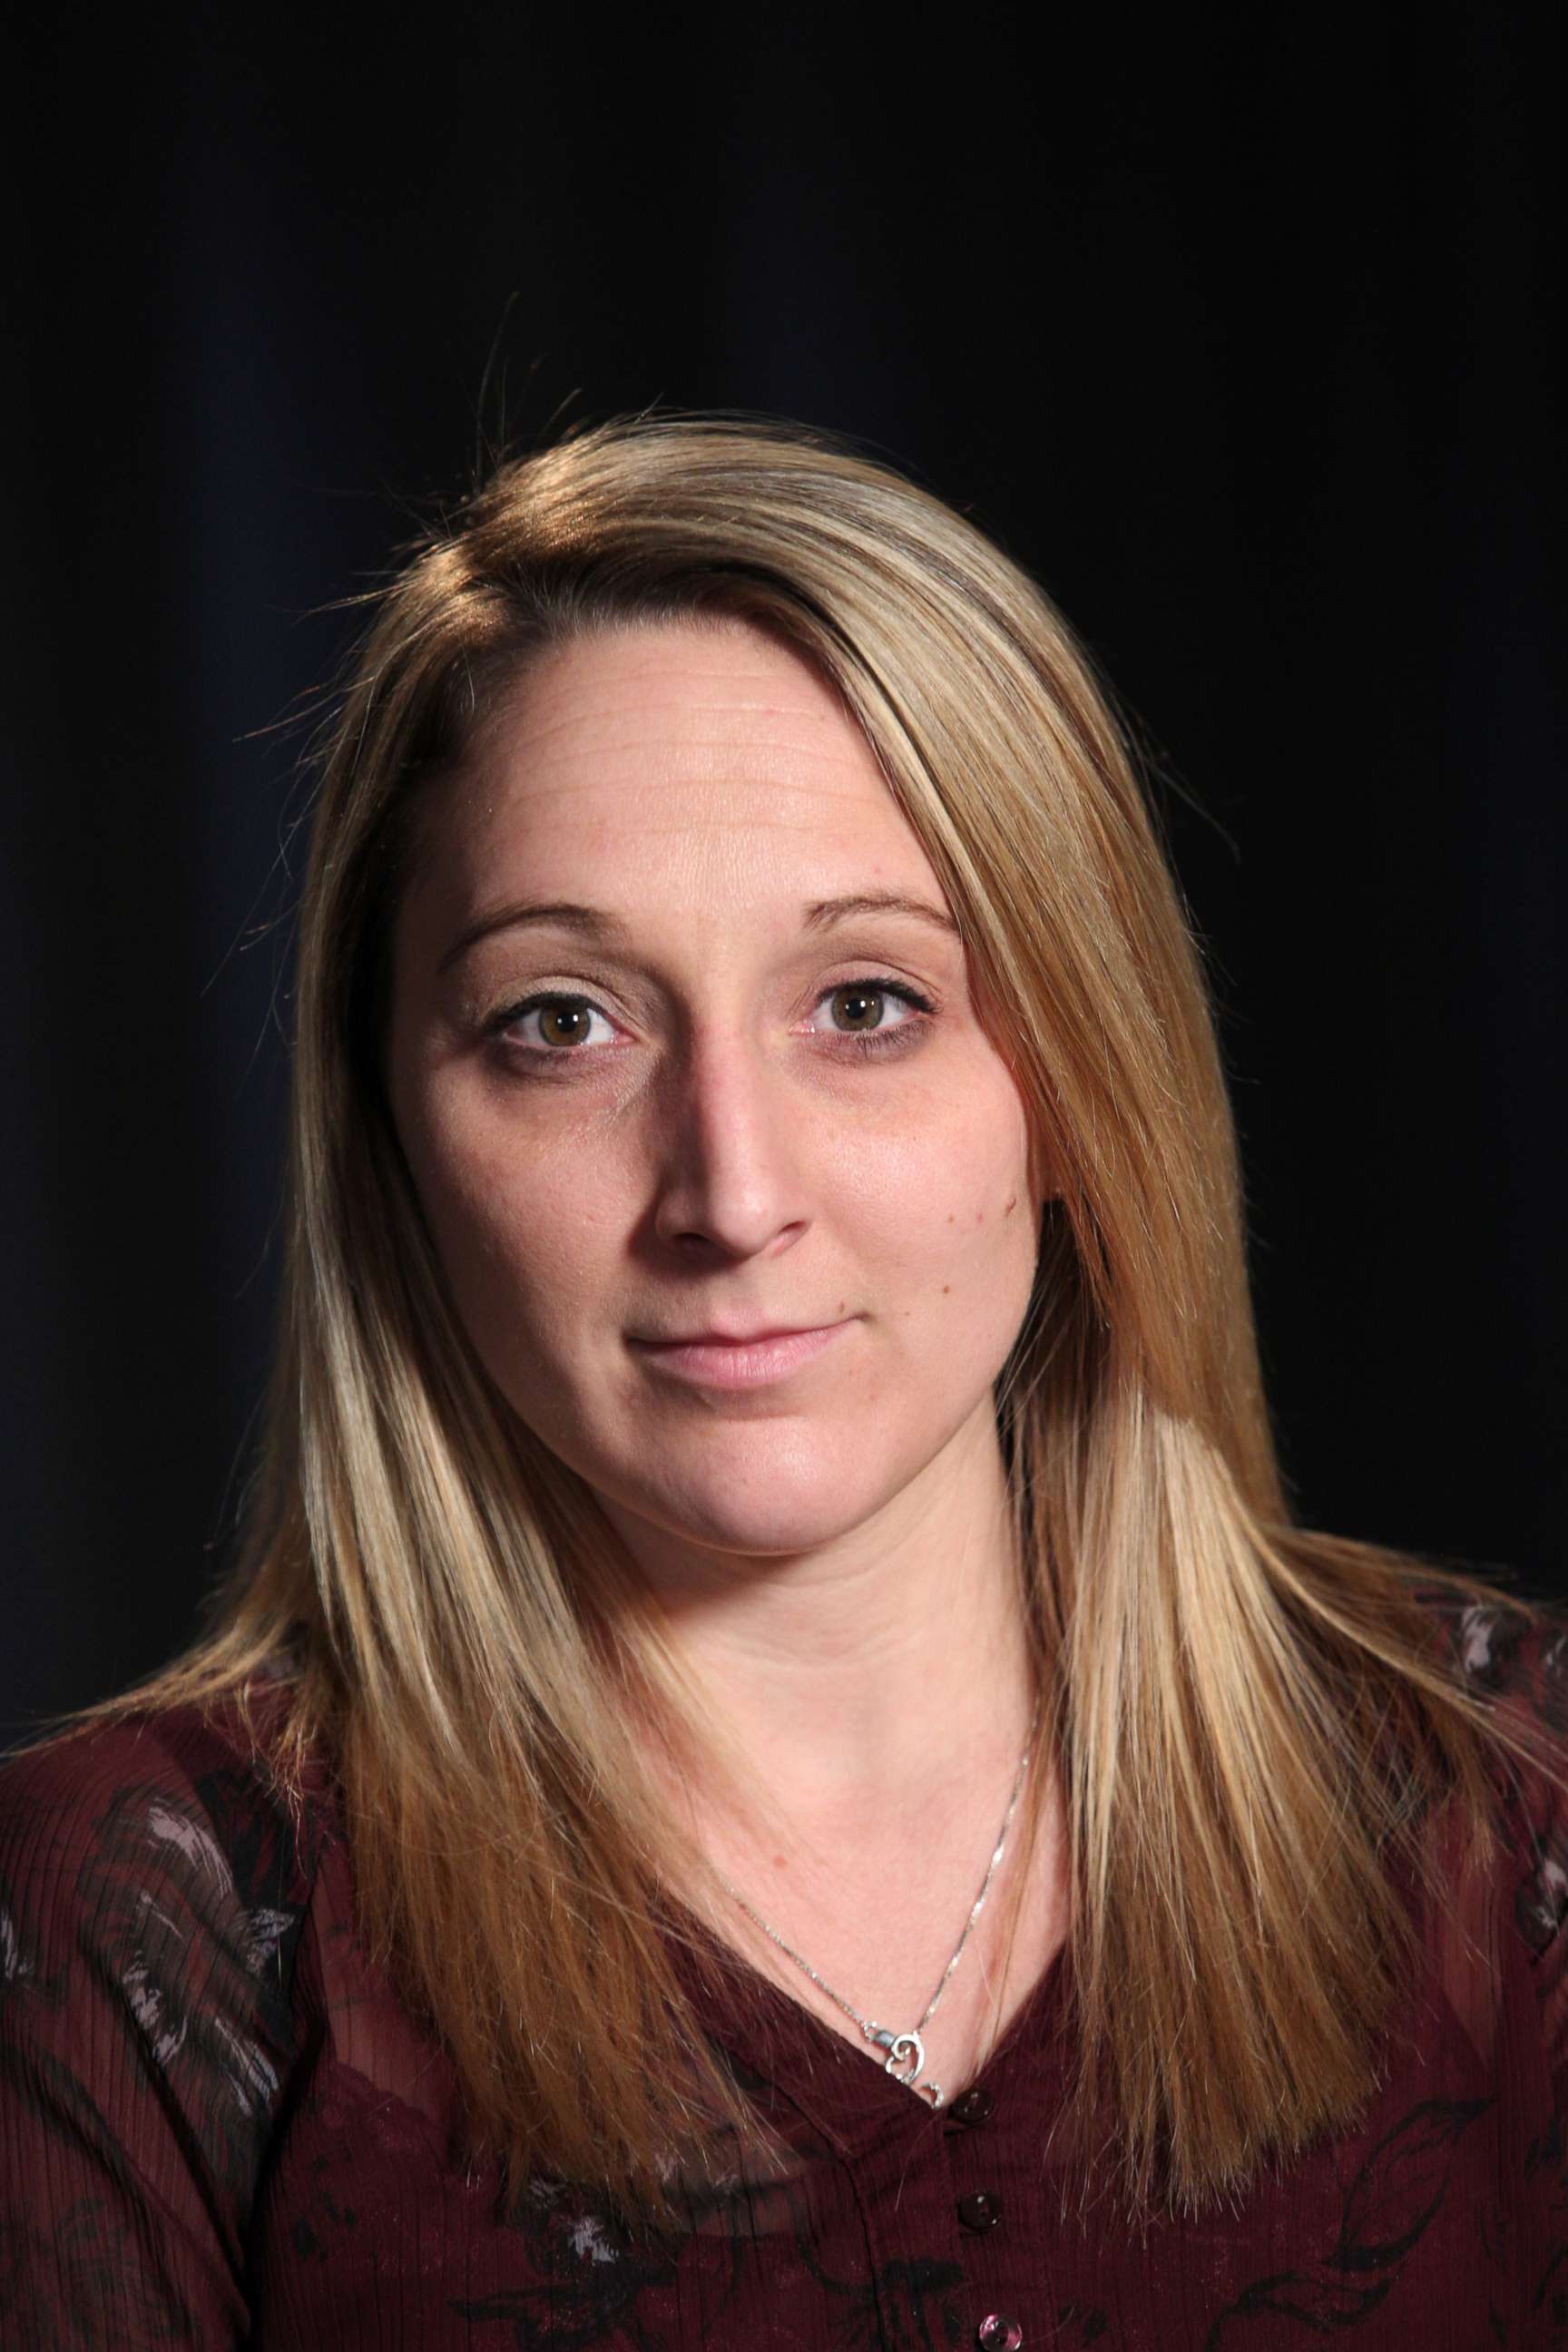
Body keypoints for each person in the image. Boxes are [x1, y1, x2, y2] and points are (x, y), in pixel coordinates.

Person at [1, 413, 1563, 2351]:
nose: (733, 1193)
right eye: (560, 1023)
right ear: (388, 1126)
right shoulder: (130, 1934)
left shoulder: (1507, 1804)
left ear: (1079, 1078)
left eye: (869, 1005)